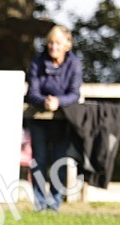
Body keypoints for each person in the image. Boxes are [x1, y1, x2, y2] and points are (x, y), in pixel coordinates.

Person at [24, 24, 83, 212]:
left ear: (67, 45)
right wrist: (44, 102)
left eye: (57, 43)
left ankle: (54, 203)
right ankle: (40, 203)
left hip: (63, 120)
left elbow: (74, 93)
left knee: (60, 160)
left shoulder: (74, 64)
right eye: (50, 43)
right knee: (39, 159)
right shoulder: (37, 63)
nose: (53, 47)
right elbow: (32, 93)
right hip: (38, 119)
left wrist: (59, 101)